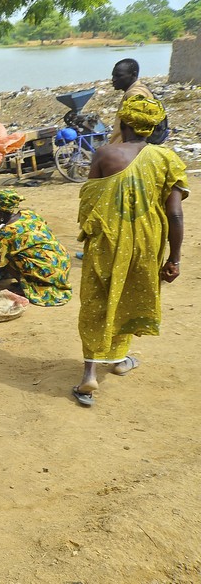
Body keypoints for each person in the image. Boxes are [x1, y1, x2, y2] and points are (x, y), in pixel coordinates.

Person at [72, 96, 188, 407]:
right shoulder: (167, 159)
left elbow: (88, 204)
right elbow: (175, 214)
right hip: (147, 242)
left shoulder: (104, 154)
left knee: (97, 299)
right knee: (128, 296)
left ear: (123, 124)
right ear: (153, 128)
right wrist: (174, 259)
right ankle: (119, 359)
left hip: (106, 239)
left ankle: (90, 374)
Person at [0, 189, 73, 307]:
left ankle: (28, 285)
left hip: (46, 271)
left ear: (1, 214)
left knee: (6, 257)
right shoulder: (29, 214)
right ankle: (28, 279)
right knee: (16, 251)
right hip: (61, 263)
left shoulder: (6, 232)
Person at [109, 58, 157, 145]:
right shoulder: (141, 90)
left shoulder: (134, 94)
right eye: (113, 76)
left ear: (133, 75)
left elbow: (135, 130)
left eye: (118, 76)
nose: (113, 79)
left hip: (126, 149)